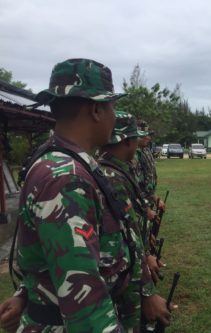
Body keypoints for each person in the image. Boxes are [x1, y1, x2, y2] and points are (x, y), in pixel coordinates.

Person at [2, 58, 127, 332]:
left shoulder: (64, 161)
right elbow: (85, 303)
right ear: (96, 109)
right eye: (112, 107)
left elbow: (50, 255)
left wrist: (25, 294)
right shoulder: (65, 177)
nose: (115, 116)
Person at [97, 111, 171, 331]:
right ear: (126, 140)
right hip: (122, 273)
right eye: (136, 137)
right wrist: (147, 291)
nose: (140, 141)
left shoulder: (114, 169)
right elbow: (127, 234)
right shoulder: (112, 176)